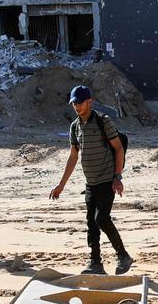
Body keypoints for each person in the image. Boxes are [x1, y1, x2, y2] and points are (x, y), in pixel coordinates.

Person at [50, 85, 134, 275]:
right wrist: (61, 185)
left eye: (79, 103)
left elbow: (119, 148)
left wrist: (117, 178)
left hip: (106, 180)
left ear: (90, 102)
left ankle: (123, 256)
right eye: (74, 104)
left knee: (102, 218)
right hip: (90, 183)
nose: (76, 107)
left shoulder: (103, 121)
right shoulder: (75, 126)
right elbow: (73, 156)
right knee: (91, 224)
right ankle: (95, 263)